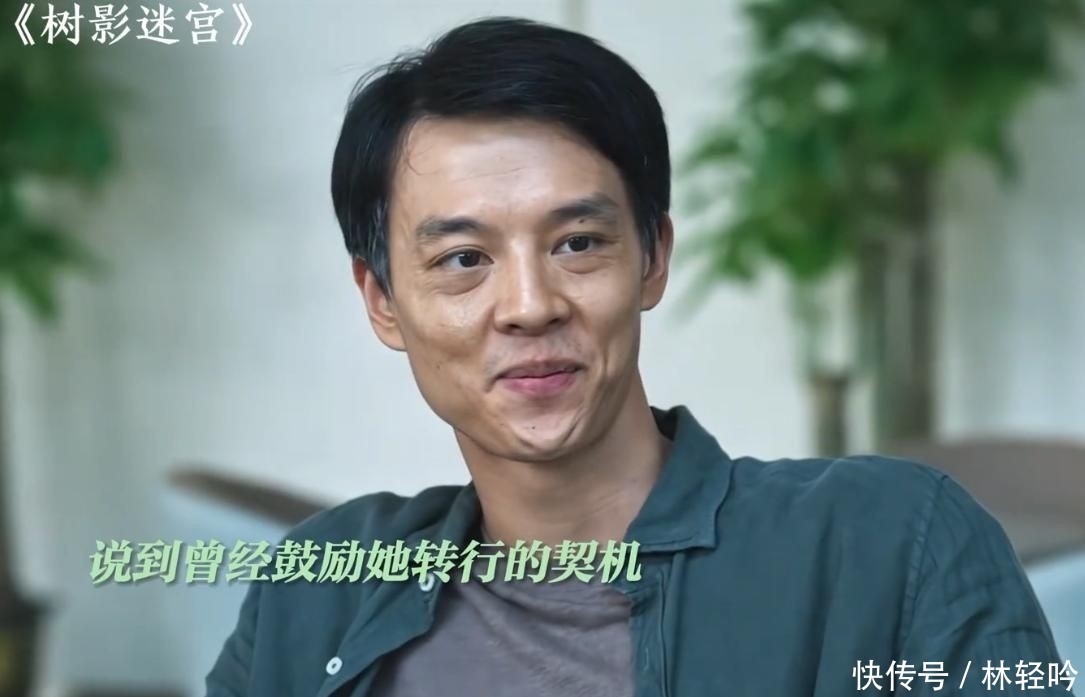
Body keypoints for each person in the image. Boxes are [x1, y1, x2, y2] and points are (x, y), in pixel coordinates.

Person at [204, 16, 1075, 697]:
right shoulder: (314, 593)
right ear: (382, 300)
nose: (530, 304)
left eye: (577, 242)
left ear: (653, 257)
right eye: (463, 259)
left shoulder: (885, 541)